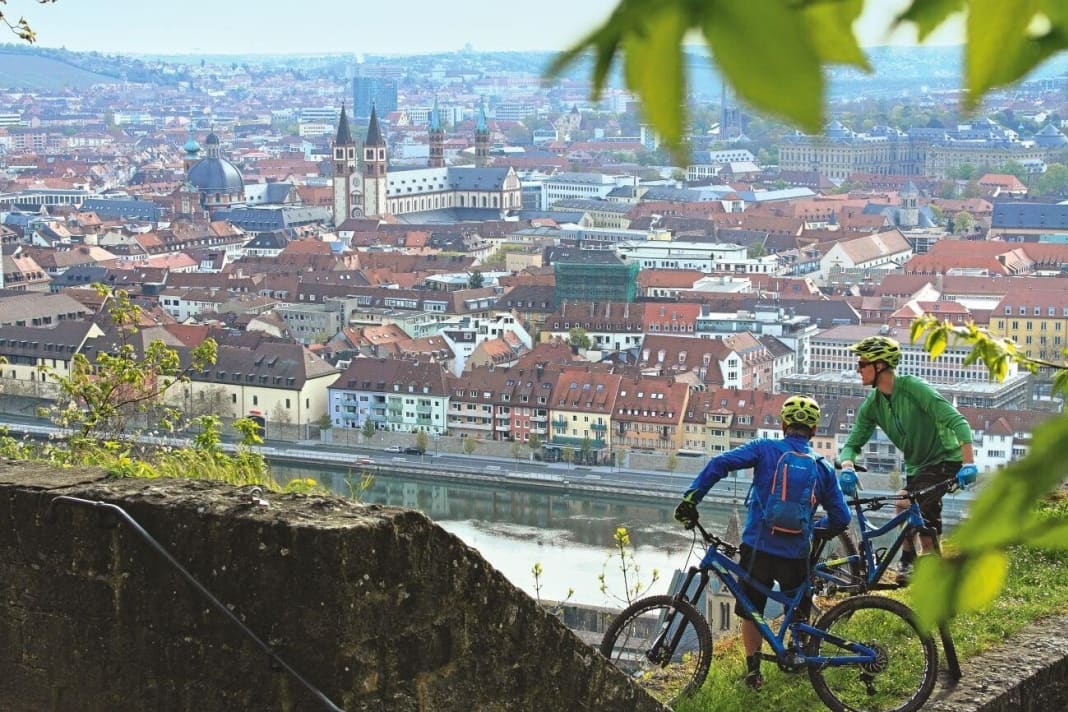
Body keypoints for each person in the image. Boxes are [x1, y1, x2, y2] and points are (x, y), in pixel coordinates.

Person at [673, 395, 850, 690]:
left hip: (758, 547)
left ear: (783, 425)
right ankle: (798, 651)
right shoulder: (822, 467)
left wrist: (692, 497)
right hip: (796, 552)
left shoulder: (764, 449)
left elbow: (720, 463)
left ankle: (754, 673)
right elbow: (841, 519)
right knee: (797, 606)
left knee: (750, 610)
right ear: (814, 431)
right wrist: (813, 528)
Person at [838, 335, 978, 585]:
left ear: (880, 365)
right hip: (917, 467)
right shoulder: (873, 404)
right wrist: (847, 466)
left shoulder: (913, 387)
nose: (857, 369)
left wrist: (968, 463)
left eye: (862, 364)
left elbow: (958, 421)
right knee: (926, 525)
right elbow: (852, 444)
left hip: (946, 459)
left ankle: (906, 562)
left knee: (905, 502)